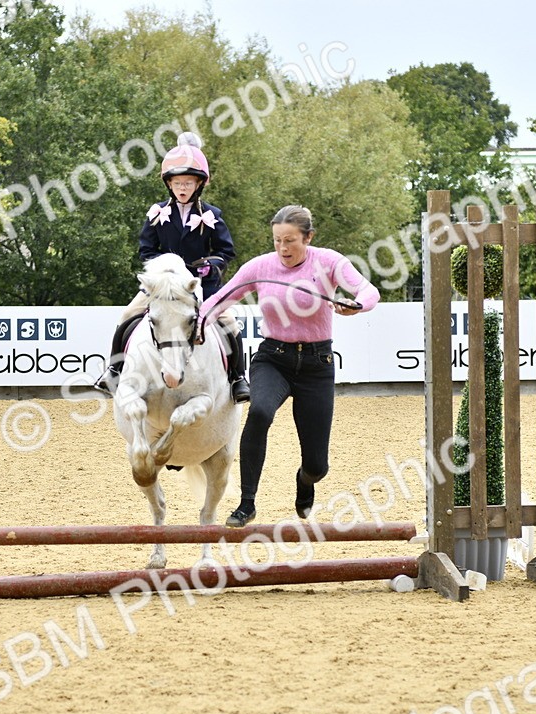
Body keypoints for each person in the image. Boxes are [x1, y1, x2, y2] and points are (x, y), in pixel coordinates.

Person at [198, 205, 380, 527]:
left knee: (317, 465)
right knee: (260, 412)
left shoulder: (328, 262)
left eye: (291, 241)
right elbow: (221, 299)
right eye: (277, 240)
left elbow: (368, 290)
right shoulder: (260, 266)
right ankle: (246, 504)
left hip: (317, 365)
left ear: (308, 237)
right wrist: (195, 323)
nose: (282, 249)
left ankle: (305, 480)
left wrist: (357, 304)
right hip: (273, 359)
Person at [93, 131, 249, 402]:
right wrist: (161, 271)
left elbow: (226, 251)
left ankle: (238, 379)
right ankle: (114, 370)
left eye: (188, 182)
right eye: (177, 182)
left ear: (199, 184)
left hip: (201, 284)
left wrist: (210, 266)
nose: (182, 188)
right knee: (127, 315)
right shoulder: (157, 213)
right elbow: (146, 250)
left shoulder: (212, 215)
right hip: (164, 285)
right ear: (169, 184)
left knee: (229, 322)